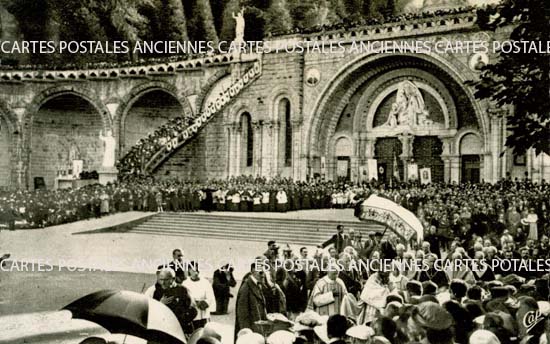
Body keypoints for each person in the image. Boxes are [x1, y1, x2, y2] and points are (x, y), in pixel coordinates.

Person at [144, 268, 196, 334]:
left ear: (173, 279)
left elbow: (193, 311)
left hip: (179, 329)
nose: (163, 283)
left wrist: (179, 322)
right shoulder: (157, 292)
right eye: (161, 280)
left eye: (166, 280)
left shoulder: (183, 290)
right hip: (162, 328)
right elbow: (151, 311)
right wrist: (160, 304)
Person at [234, 261, 268, 339]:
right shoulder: (246, 288)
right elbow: (242, 315)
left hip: (258, 330)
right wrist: (246, 335)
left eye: (263, 272)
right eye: (260, 272)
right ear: (253, 271)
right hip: (251, 333)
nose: (263, 275)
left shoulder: (258, 285)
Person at [182, 261, 216, 331]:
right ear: (189, 271)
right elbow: (184, 298)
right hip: (192, 314)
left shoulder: (205, 282)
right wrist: (193, 303)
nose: (196, 273)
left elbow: (210, 297)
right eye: (194, 271)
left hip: (204, 313)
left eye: (197, 270)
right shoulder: (185, 284)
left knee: (204, 332)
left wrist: (204, 303)